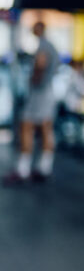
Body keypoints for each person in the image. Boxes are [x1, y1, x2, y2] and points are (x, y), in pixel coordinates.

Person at [4, 21, 62, 184]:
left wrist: (32, 80)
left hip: (40, 93)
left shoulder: (44, 46)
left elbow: (41, 64)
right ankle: (44, 167)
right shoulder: (50, 46)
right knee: (45, 127)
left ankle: (23, 169)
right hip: (47, 91)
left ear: (40, 29)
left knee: (27, 126)